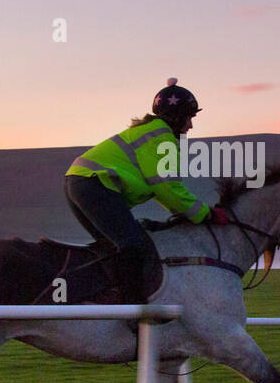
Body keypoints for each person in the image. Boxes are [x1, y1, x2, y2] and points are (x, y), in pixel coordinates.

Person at [65, 78, 231, 302]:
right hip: (93, 185)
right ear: (177, 116)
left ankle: (102, 299)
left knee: (112, 248)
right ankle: (133, 312)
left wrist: (188, 211)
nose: (190, 126)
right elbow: (167, 188)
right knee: (134, 245)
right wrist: (205, 214)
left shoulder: (150, 131)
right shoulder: (161, 136)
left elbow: (162, 190)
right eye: (190, 118)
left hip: (80, 182)